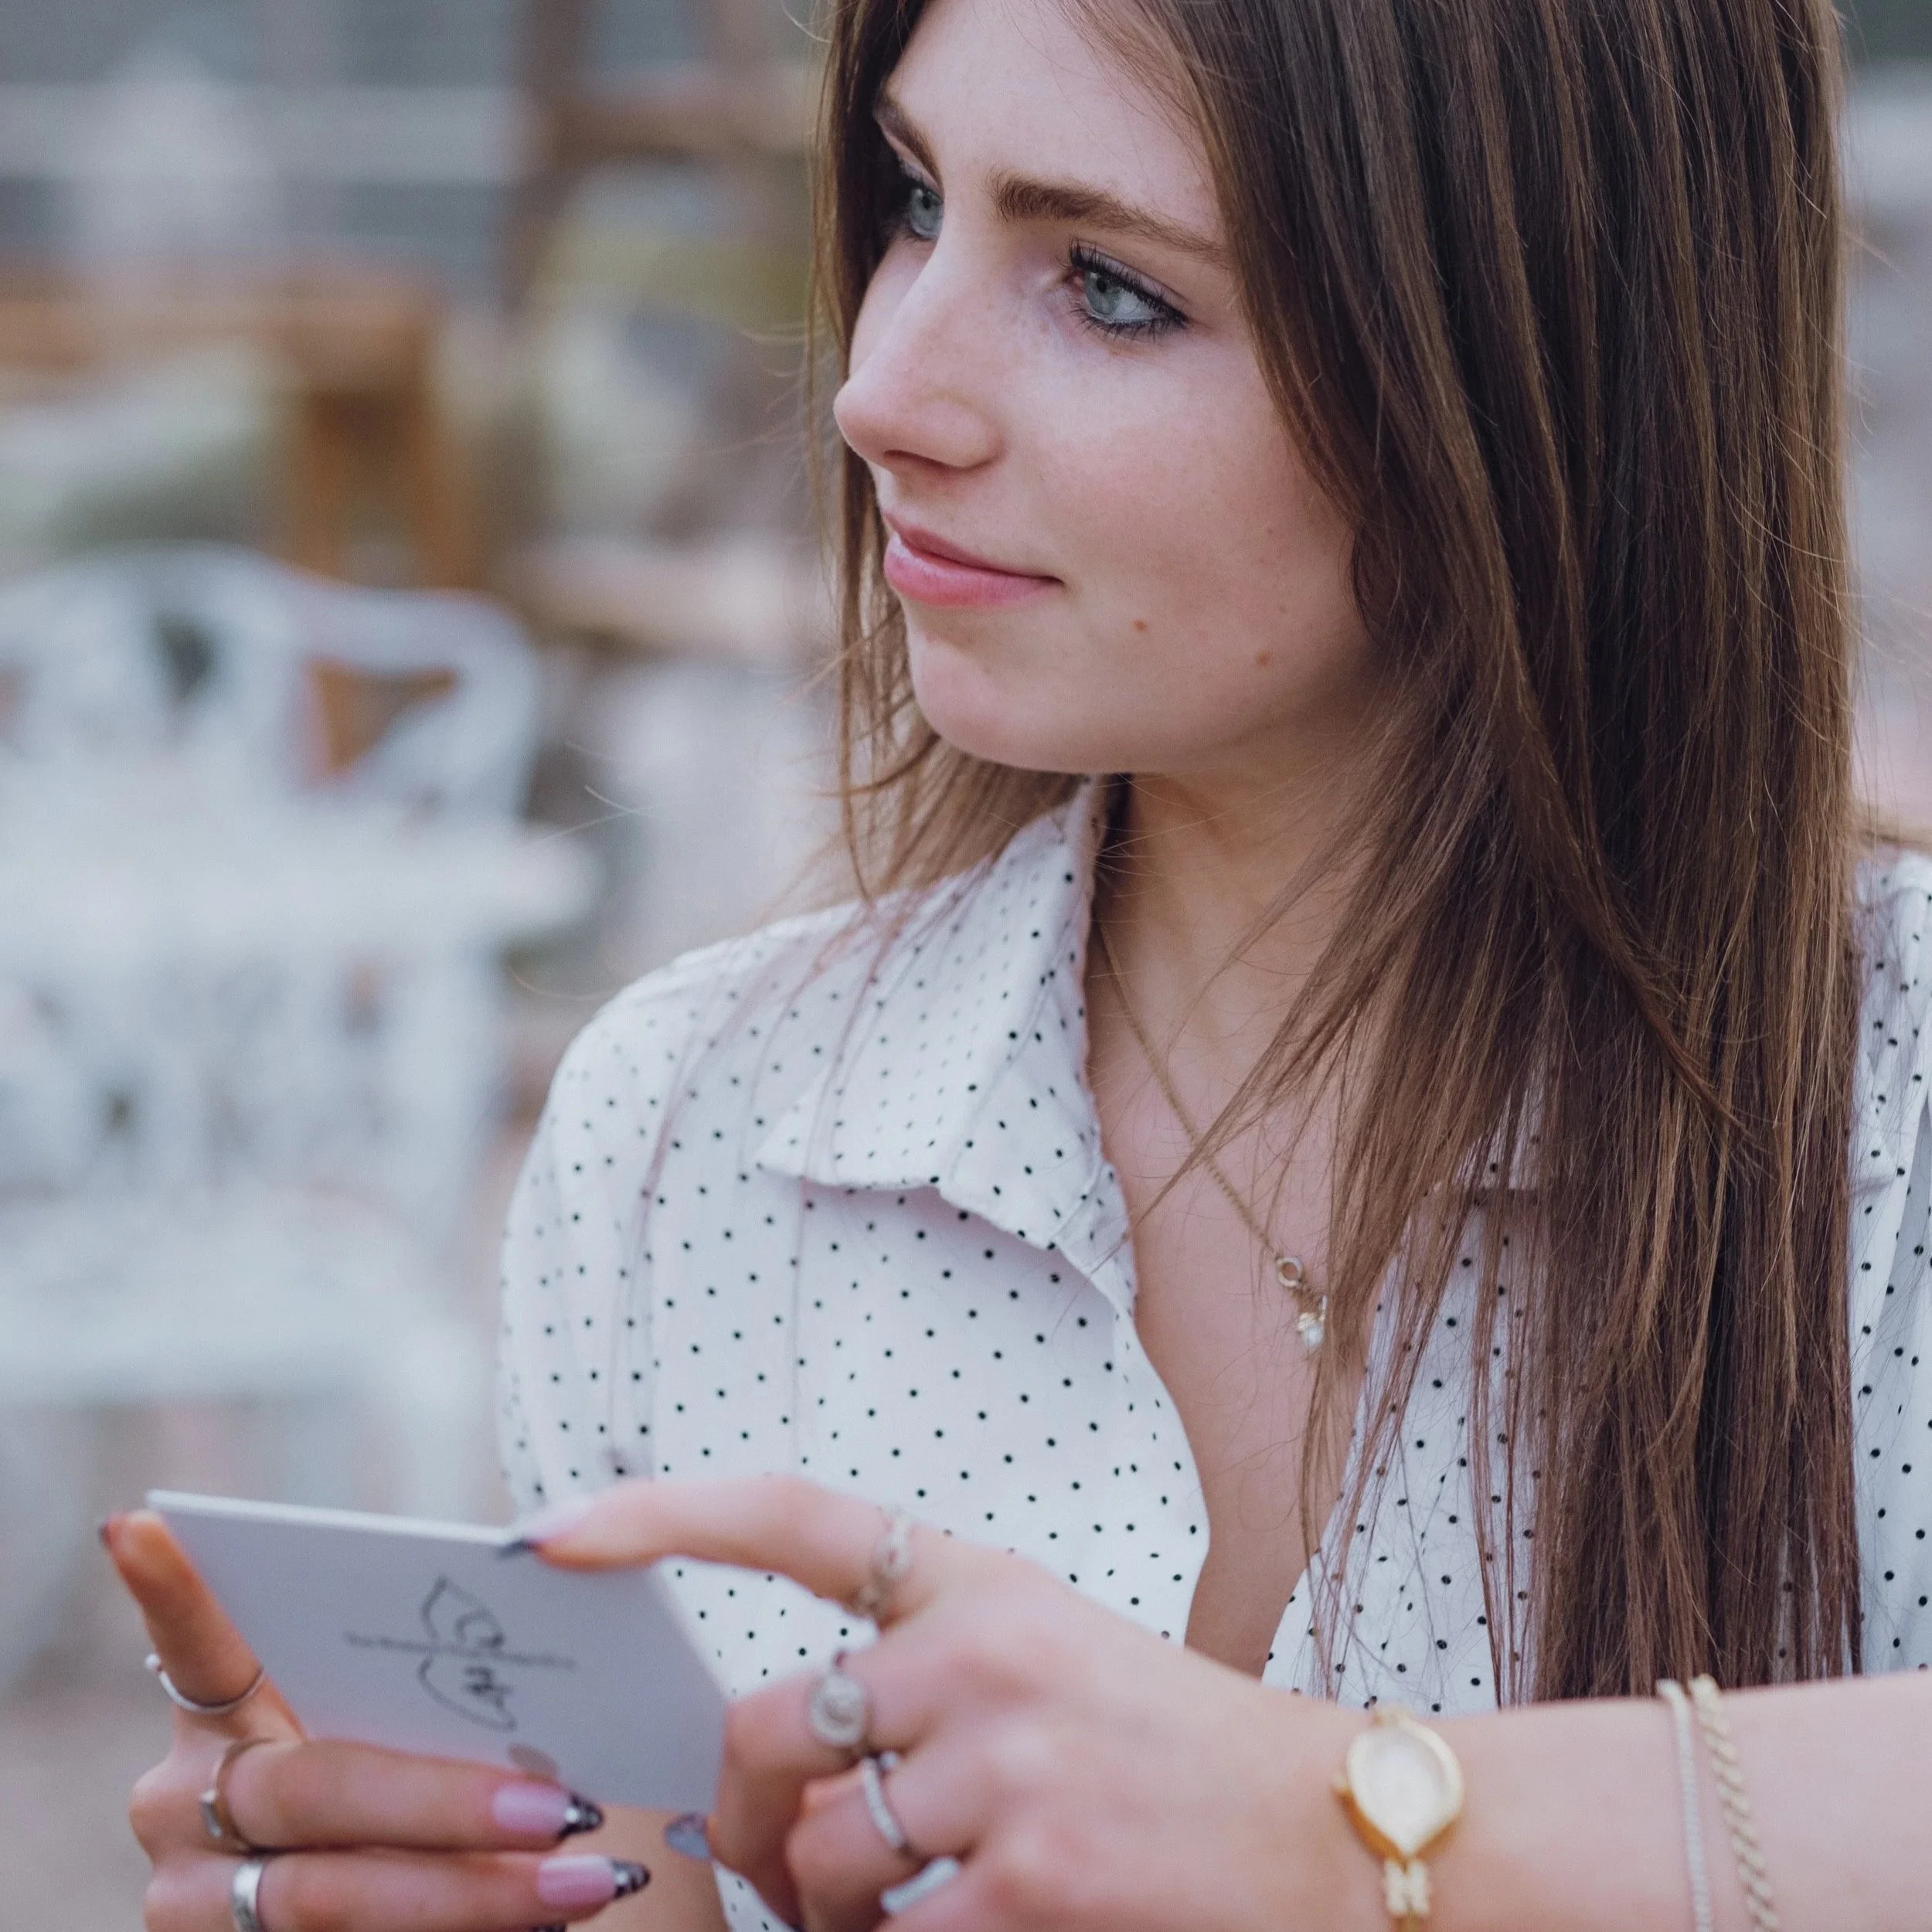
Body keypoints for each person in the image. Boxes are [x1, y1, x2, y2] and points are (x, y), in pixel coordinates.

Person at [110, 0, 1932, 1927]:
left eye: (1106, 287)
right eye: (910, 199)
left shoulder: (1881, 1127)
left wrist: (1360, 1820)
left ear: (1537, 349)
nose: (880, 389)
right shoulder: (691, 1134)